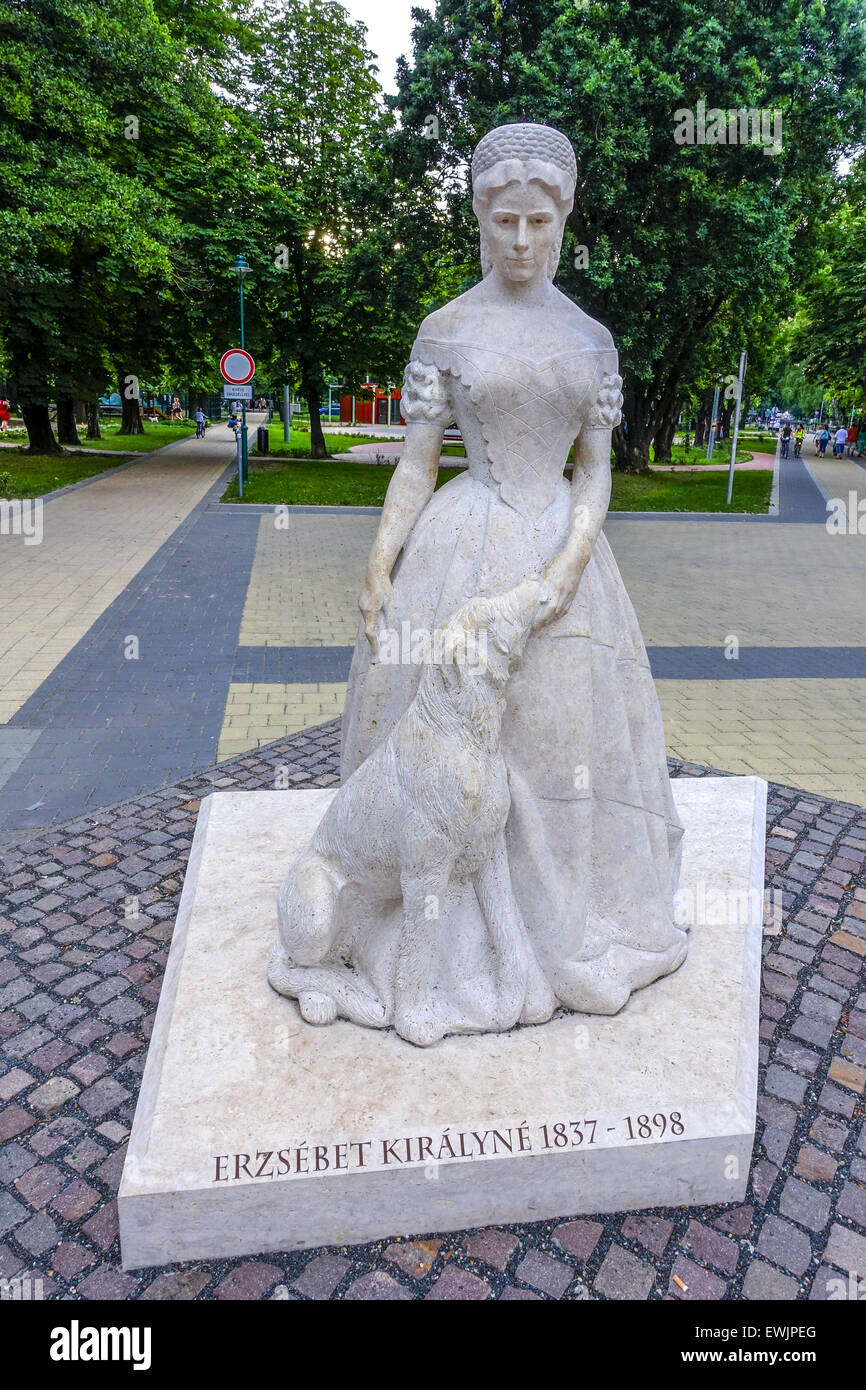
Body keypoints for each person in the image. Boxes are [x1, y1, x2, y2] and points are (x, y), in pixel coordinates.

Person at [330, 122, 686, 1038]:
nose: (521, 243)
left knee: (564, 743)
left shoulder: (590, 339)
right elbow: (418, 463)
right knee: (441, 745)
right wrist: (380, 558)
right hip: (461, 541)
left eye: (538, 222)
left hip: (563, 561)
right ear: (480, 220)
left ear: (563, 217)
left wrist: (569, 562)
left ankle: (557, 927)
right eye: (503, 223)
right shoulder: (445, 329)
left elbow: (596, 472)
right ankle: (434, 936)